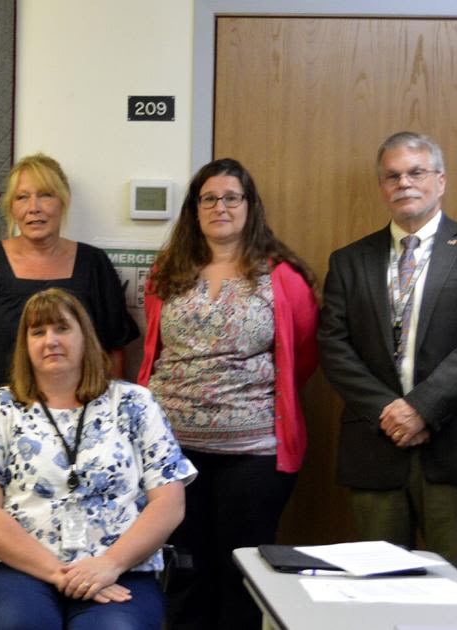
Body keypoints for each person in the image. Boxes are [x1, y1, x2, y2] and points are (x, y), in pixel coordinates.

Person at [137, 158, 318, 629]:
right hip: (170, 453)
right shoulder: (167, 272)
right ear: (195, 210)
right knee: (182, 571)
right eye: (209, 198)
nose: (220, 206)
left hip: (253, 453)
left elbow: (302, 356)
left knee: (240, 573)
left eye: (231, 197)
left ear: (249, 206)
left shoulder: (282, 276)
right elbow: (153, 349)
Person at [0, 288, 195, 630]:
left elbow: (168, 504)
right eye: (38, 332)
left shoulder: (135, 403)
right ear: (25, 345)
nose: (50, 340)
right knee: (20, 625)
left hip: (120, 569)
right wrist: (58, 572)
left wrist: (108, 564)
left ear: (85, 337)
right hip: (14, 571)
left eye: (62, 328)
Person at [319, 131, 457, 589]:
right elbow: (334, 347)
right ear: (381, 187)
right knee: (378, 592)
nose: (404, 183)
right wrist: (388, 412)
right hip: (376, 447)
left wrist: (422, 407)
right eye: (392, 176)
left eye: (416, 172)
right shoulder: (349, 261)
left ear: (440, 180)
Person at [0, 153, 137, 401]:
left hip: (82, 412)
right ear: (11, 208)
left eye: (45, 195)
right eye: (22, 197)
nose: (33, 208)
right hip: (6, 412)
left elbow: (114, 349)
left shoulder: (94, 264)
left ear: (63, 201)